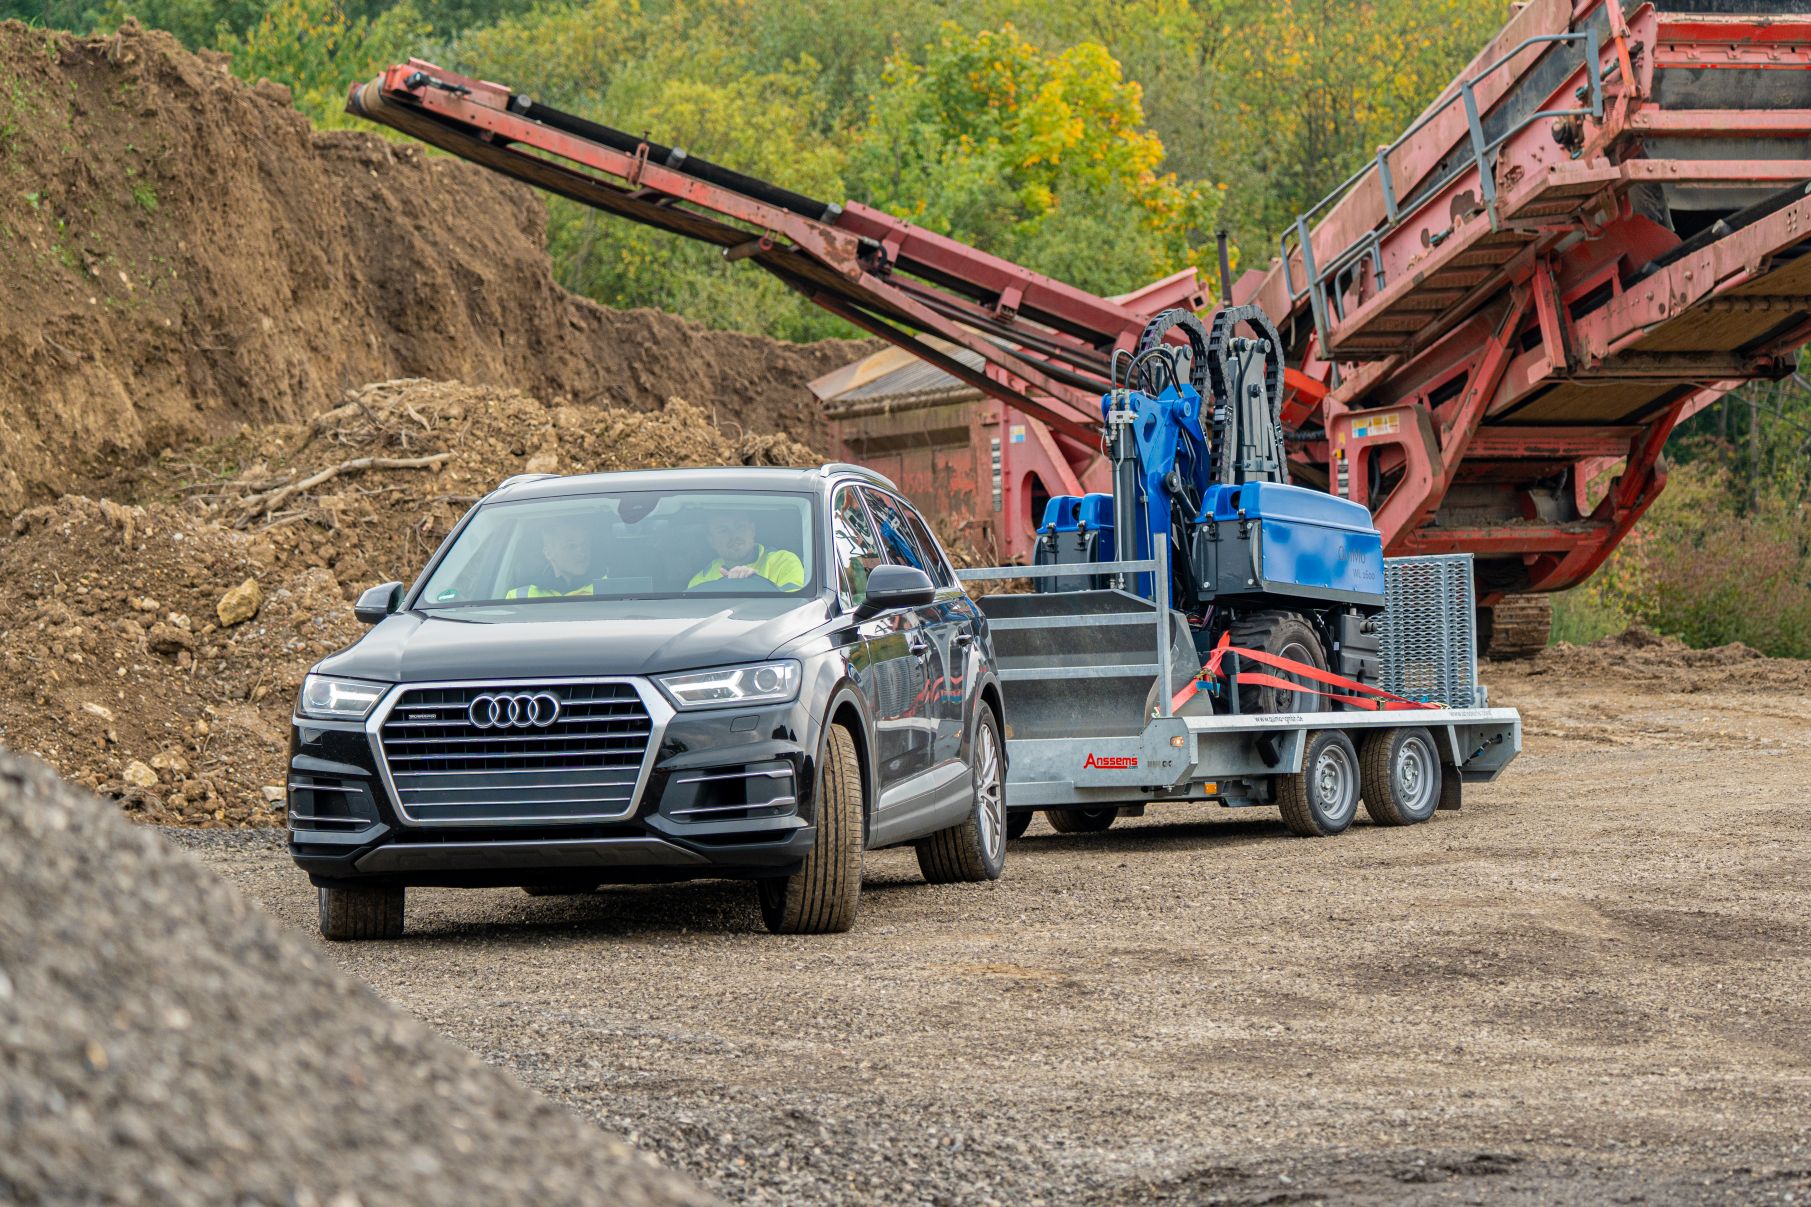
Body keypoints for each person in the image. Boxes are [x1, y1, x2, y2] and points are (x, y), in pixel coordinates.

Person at [688, 511, 804, 591]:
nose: (734, 536)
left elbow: (797, 608)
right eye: (723, 530)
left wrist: (755, 583)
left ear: (753, 530)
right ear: (711, 541)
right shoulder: (702, 579)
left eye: (740, 527)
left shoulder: (783, 561)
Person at [504, 515, 608, 599]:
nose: (582, 552)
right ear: (548, 553)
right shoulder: (519, 597)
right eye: (571, 546)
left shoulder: (608, 588)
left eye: (585, 545)